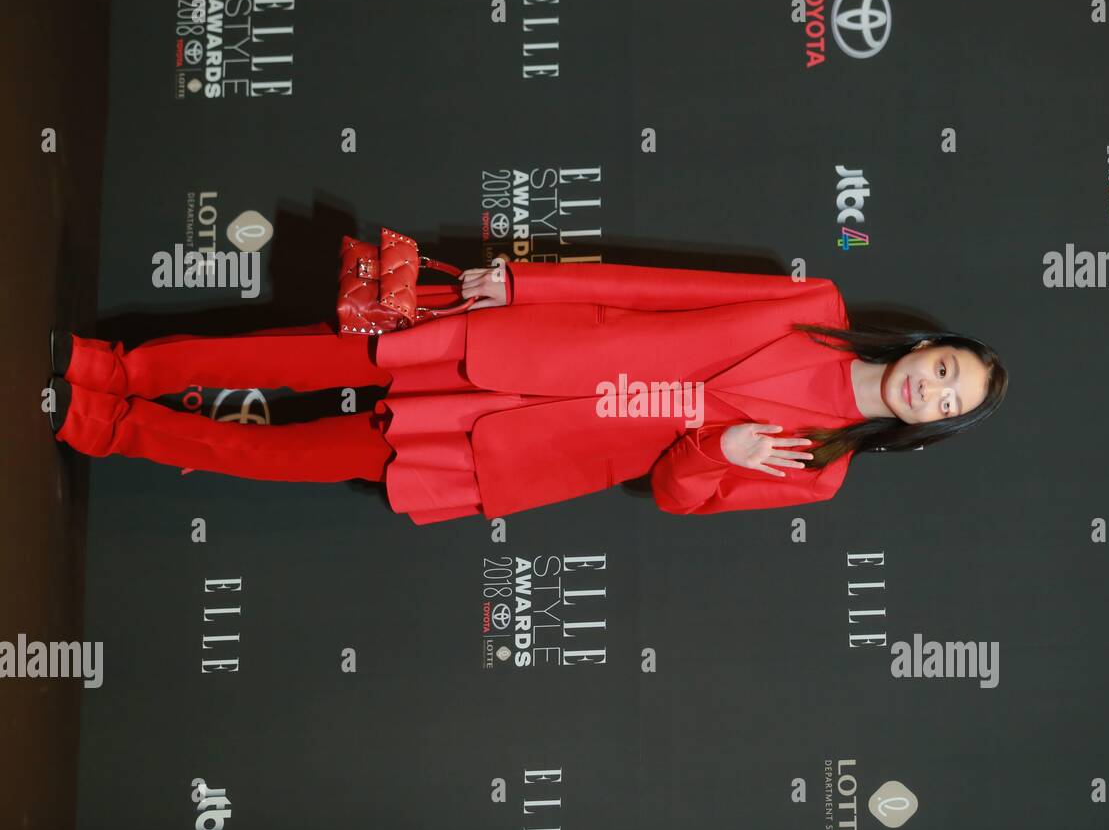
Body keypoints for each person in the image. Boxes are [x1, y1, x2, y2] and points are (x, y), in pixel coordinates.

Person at [46, 259, 1008, 524]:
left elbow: (674, 494)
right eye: (948, 370)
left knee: (281, 456)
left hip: (519, 448)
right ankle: (115, 371)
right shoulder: (814, 301)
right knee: (288, 358)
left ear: (935, 428)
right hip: (523, 348)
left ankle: (103, 428)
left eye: (951, 405)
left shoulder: (819, 474)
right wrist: (530, 283)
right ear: (929, 346)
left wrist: (728, 451)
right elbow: (661, 292)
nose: (936, 391)